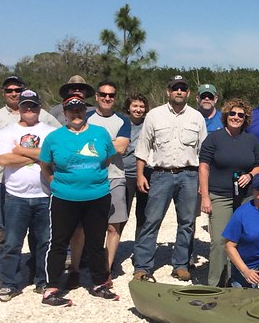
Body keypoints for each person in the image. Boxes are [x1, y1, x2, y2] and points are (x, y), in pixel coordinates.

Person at [38, 95, 118, 306]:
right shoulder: (54, 137)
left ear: (86, 112)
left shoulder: (99, 133)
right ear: (65, 114)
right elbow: (45, 164)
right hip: (65, 197)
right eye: (71, 110)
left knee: (95, 240)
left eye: (80, 109)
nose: (76, 113)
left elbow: (107, 159)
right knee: (59, 242)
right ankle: (52, 288)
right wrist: (54, 181)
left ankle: (99, 282)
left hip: (97, 196)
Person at [0, 74, 60, 286]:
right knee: (12, 241)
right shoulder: (7, 130)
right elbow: (4, 159)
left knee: (44, 241)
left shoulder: (51, 131)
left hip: (45, 195)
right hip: (15, 195)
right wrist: (37, 155)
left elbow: (54, 155)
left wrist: (20, 151)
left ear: (39, 107)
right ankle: (9, 282)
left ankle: (43, 280)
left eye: (33, 106)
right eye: (25, 106)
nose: (29, 110)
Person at [132, 75, 207, 282]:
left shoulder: (196, 118)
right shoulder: (154, 115)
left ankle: (181, 264)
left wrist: (203, 182)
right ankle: (142, 266)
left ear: (188, 93)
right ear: (168, 91)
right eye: (175, 88)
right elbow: (143, 147)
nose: (179, 92)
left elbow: (204, 153)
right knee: (151, 220)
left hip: (189, 175)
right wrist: (139, 175)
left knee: (187, 222)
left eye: (183, 88)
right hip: (161, 175)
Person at [199, 98, 259, 286]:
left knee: (245, 239)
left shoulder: (251, 140)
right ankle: (215, 284)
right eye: (232, 114)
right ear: (226, 115)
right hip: (220, 196)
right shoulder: (214, 138)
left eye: (240, 115)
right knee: (220, 241)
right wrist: (205, 197)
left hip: (246, 197)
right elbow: (203, 167)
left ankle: (238, 280)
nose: (236, 117)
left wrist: (251, 175)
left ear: (246, 119)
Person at [88, 80, 131, 277]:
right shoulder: (86, 118)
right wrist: (110, 143)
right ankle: (80, 266)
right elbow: (76, 144)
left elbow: (121, 148)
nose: (107, 98)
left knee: (113, 226)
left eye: (111, 95)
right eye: (103, 94)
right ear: (96, 96)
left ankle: (106, 268)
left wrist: (92, 144)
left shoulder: (123, 121)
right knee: (86, 227)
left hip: (115, 177)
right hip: (88, 178)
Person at [122, 93, 150, 239]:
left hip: (145, 174)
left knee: (143, 214)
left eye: (141, 106)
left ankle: (140, 251)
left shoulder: (149, 124)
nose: (138, 109)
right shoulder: (122, 123)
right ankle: (111, 251)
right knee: (121, 215)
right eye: (135, 106)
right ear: (128, 107)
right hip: (125, 174)